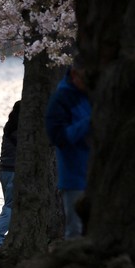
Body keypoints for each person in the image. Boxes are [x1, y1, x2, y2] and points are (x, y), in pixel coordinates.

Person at [45, 57, 91, 239]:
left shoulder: (93, 93)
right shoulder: (62, 99)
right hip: (75, 176)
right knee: (75, 228)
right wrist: (88, 124)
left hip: (99, 173)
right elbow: (58, 137)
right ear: (74, 75)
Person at [0, 100, 20, 251]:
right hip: (12, 171)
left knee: (11, 205)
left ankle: (5, 237)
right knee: (10, 206)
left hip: (4, 171)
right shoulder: (18, 132)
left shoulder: (9, 128)